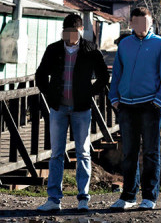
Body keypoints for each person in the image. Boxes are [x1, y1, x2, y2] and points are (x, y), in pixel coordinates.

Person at [34, 14, 110, 212]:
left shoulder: (90, 50)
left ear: (80, 31)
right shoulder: (54, 49)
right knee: (56, 153)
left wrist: (89, 94)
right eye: (66, 32)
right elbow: (40, 75)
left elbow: (103, 77)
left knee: (83, 152)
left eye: (73, 32)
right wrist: (50, 96)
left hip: (81, 108)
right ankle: (53, 199)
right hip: (58, 108)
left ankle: (83, 198)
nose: (70, 36)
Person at [109, 7, 161, 211]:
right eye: (137, 23)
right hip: (126, 106)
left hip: (150, 105)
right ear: (131, 24)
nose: (141, 27)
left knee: (151, 152)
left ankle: (149, 197)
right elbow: (117, 73)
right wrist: (114, 98)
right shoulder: (124, 44)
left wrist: (158, 100)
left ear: (151, 22)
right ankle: (128, 196)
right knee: (128, 152)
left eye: (145, 23)